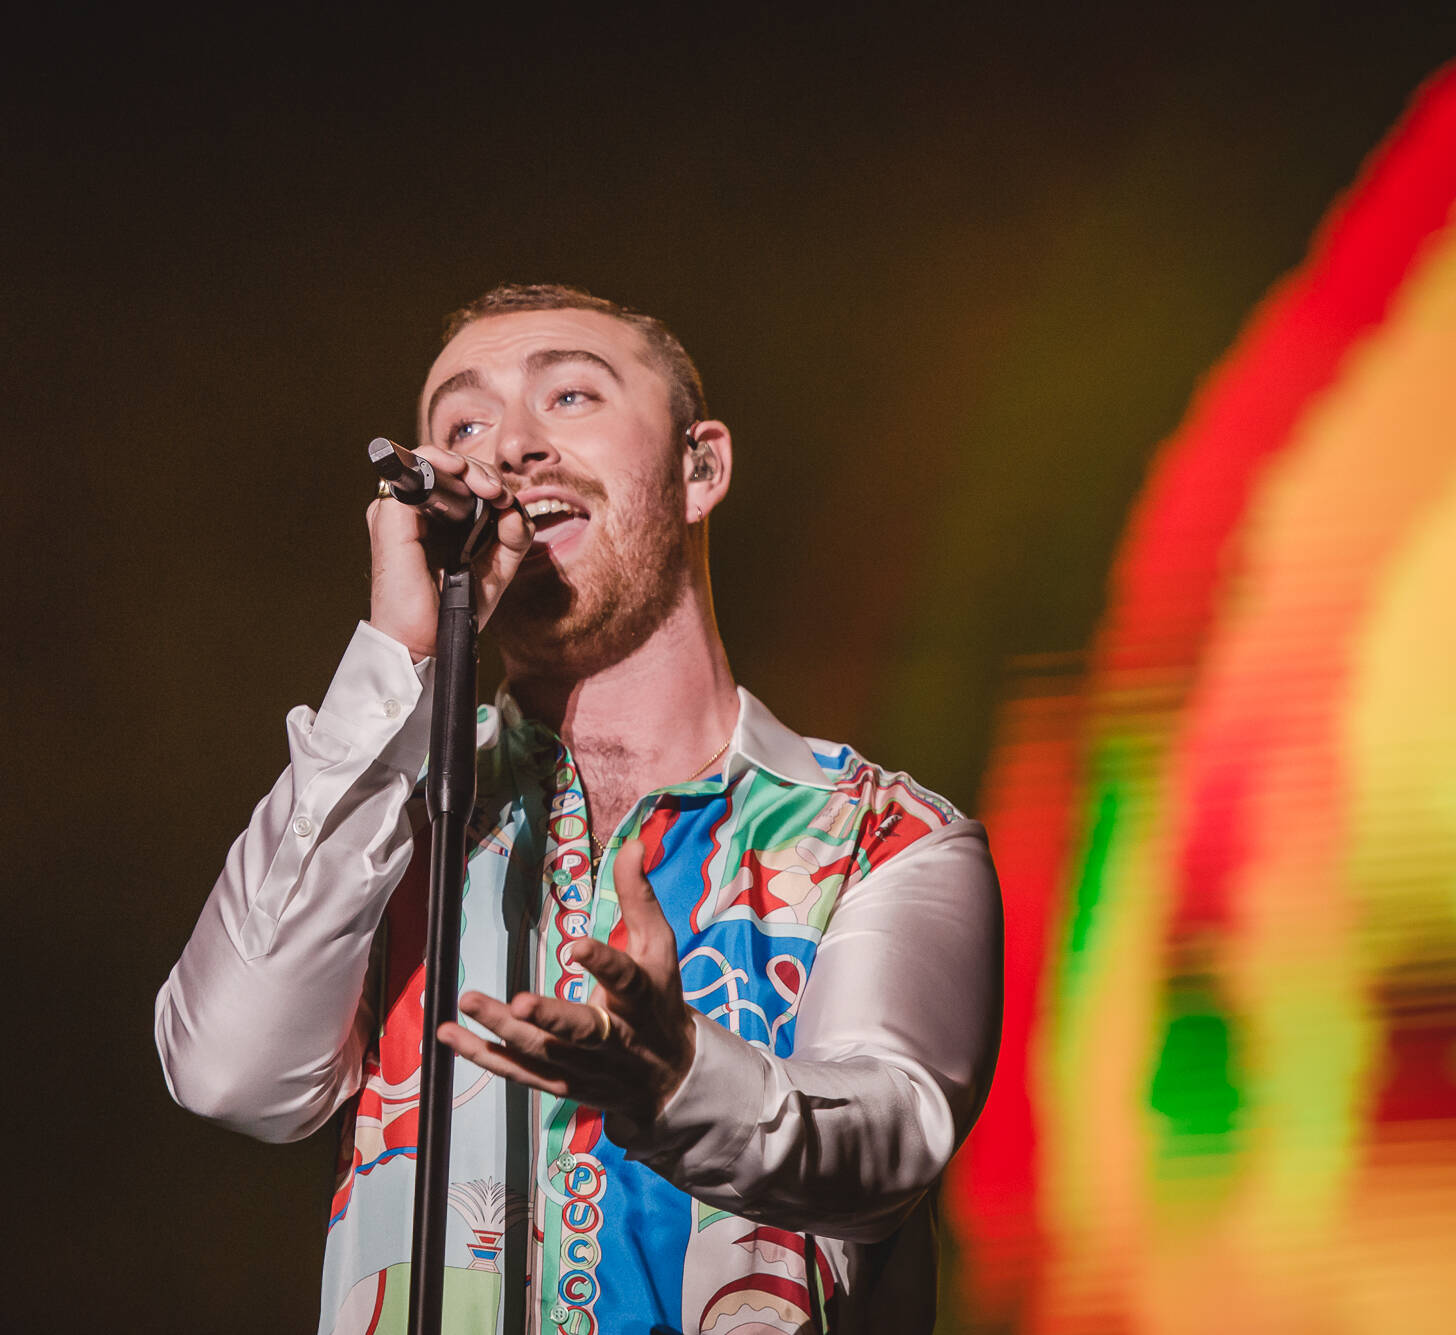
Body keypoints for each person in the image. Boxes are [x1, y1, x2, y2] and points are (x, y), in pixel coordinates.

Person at [154, 284, 1003, 1335]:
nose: (508, 446)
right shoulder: (391, 813)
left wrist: (674, 1077)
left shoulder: (881, 838)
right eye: (462, 425)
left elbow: (887, 1142)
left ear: (699, 469)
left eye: (567, 396)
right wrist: (395, 661)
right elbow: (230, 1071)